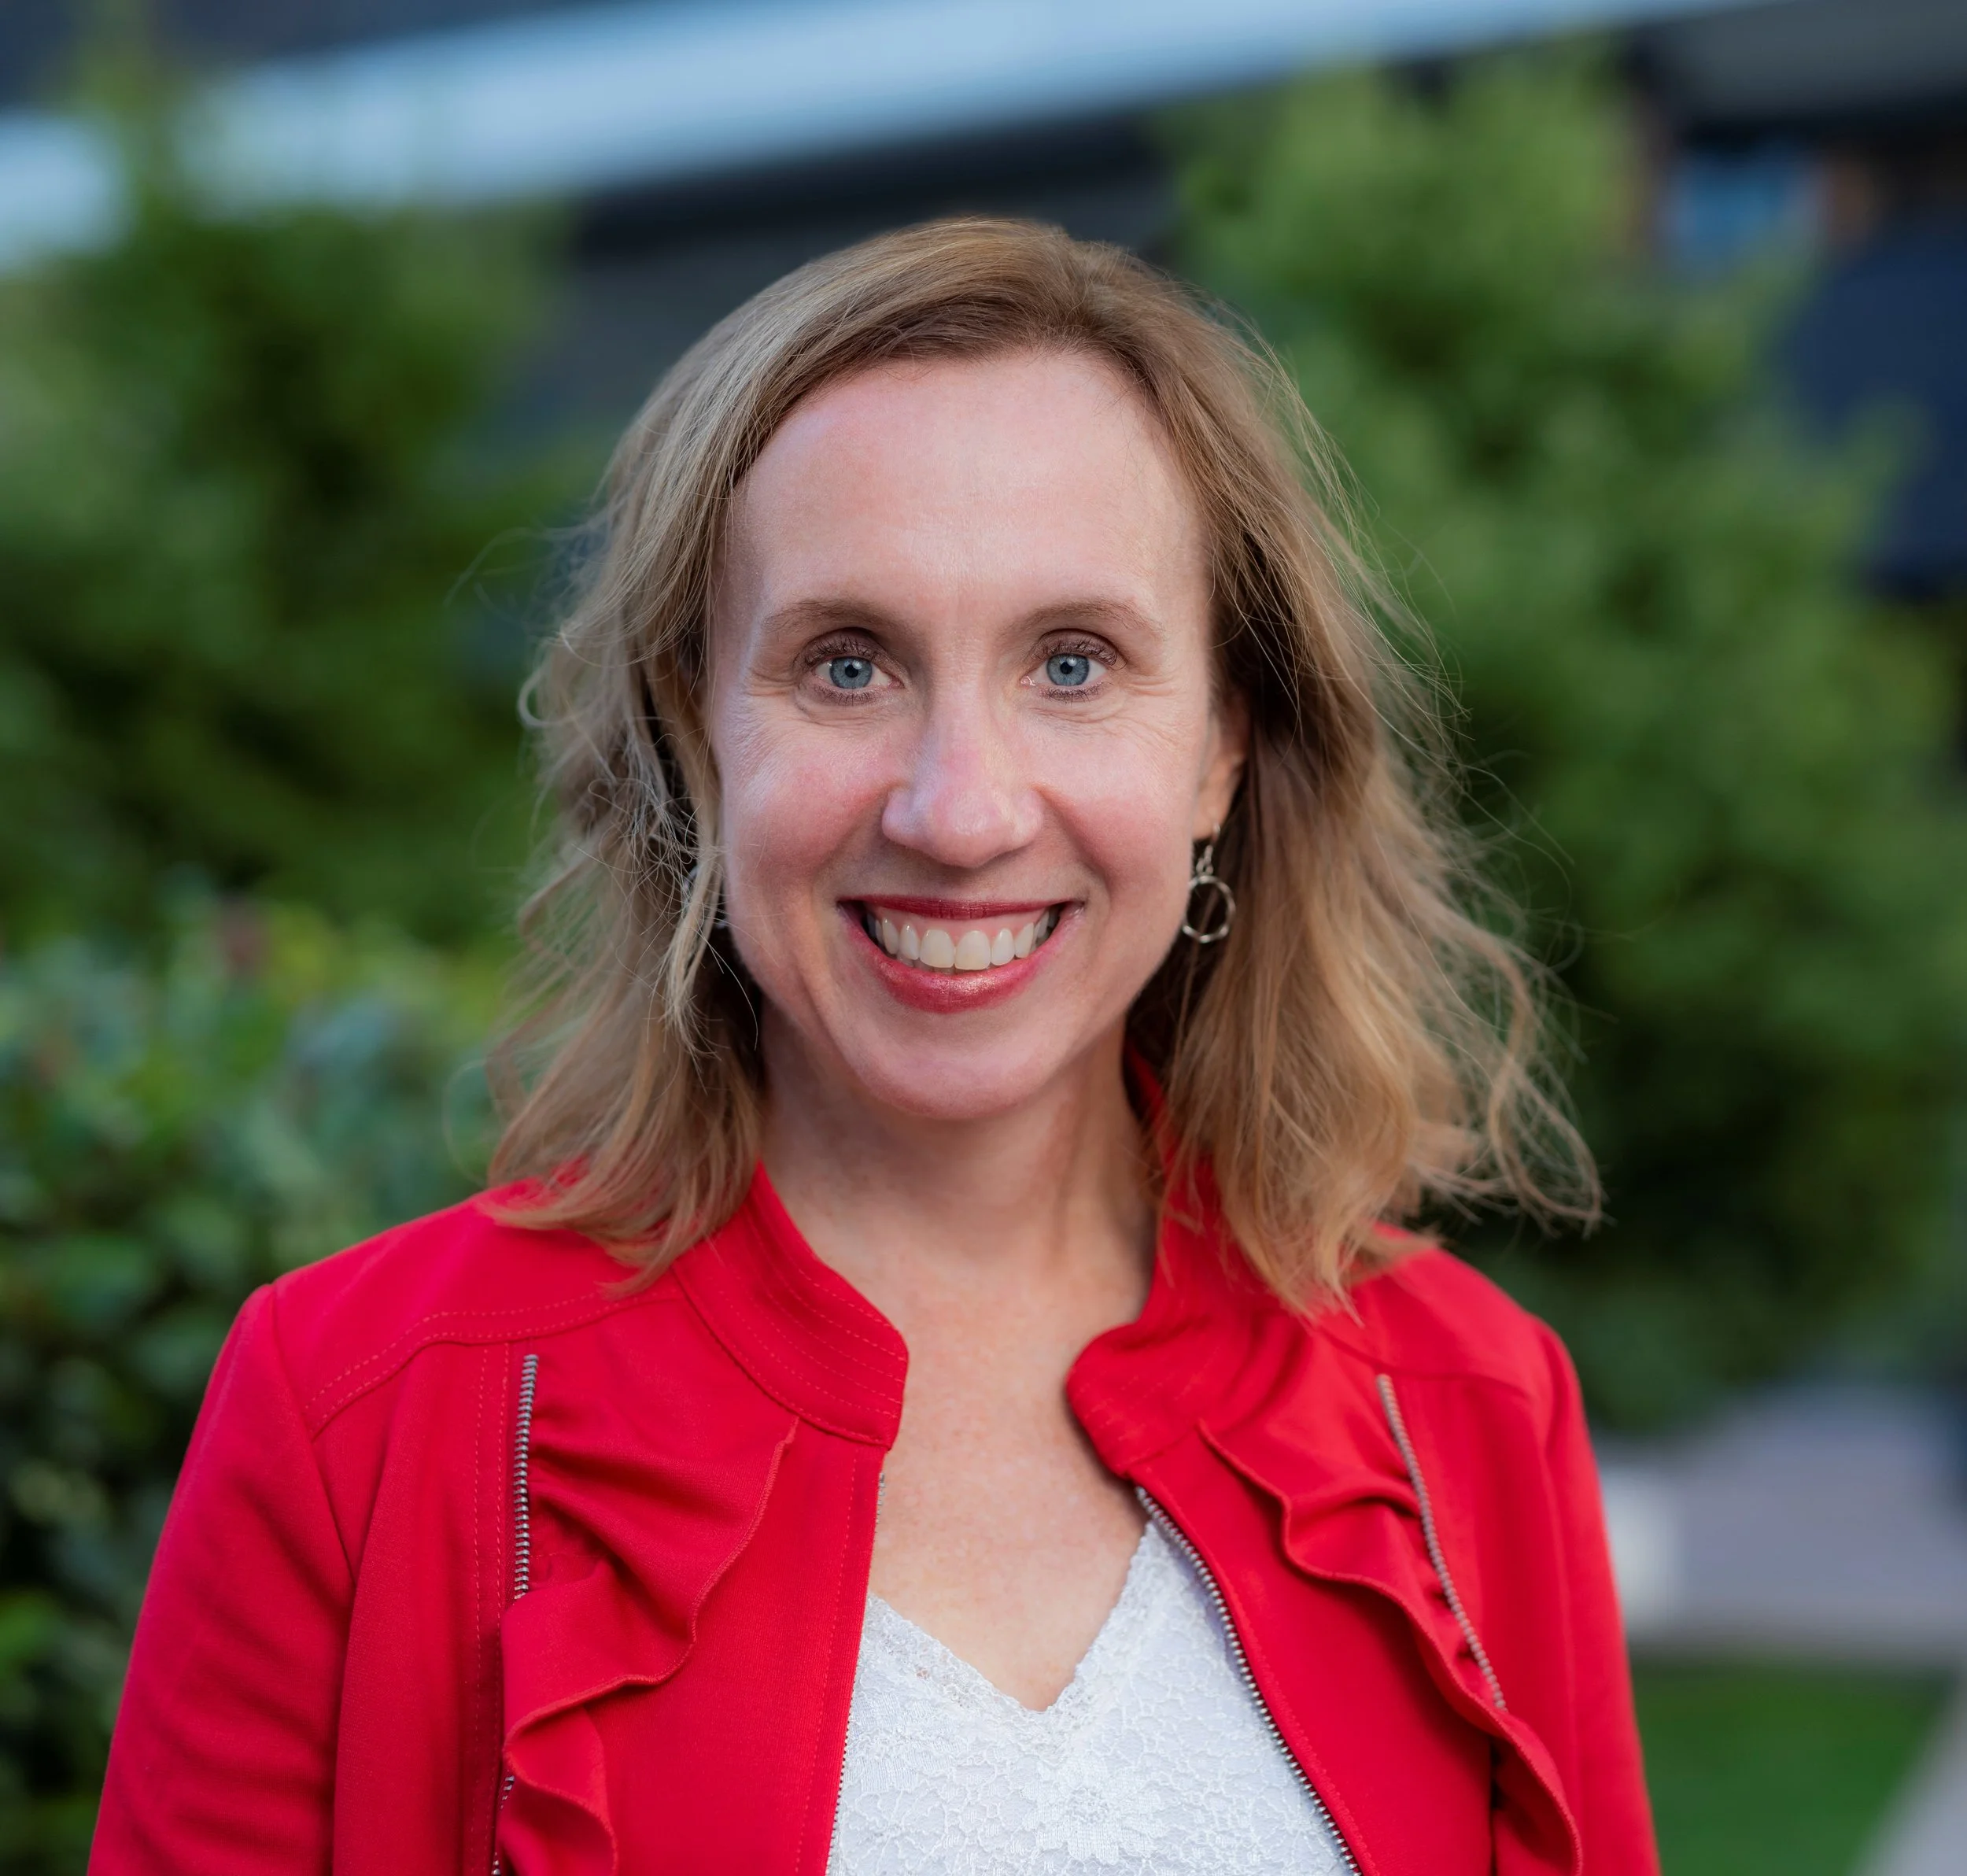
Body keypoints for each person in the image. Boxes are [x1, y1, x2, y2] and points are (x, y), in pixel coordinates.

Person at [91, 219, 1657, 1876]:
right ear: (694, 739)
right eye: (846, 664)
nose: (959, 810)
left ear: (1220, 748)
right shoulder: (355, 1416)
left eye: (1072, 663)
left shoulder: (1467, 1406)